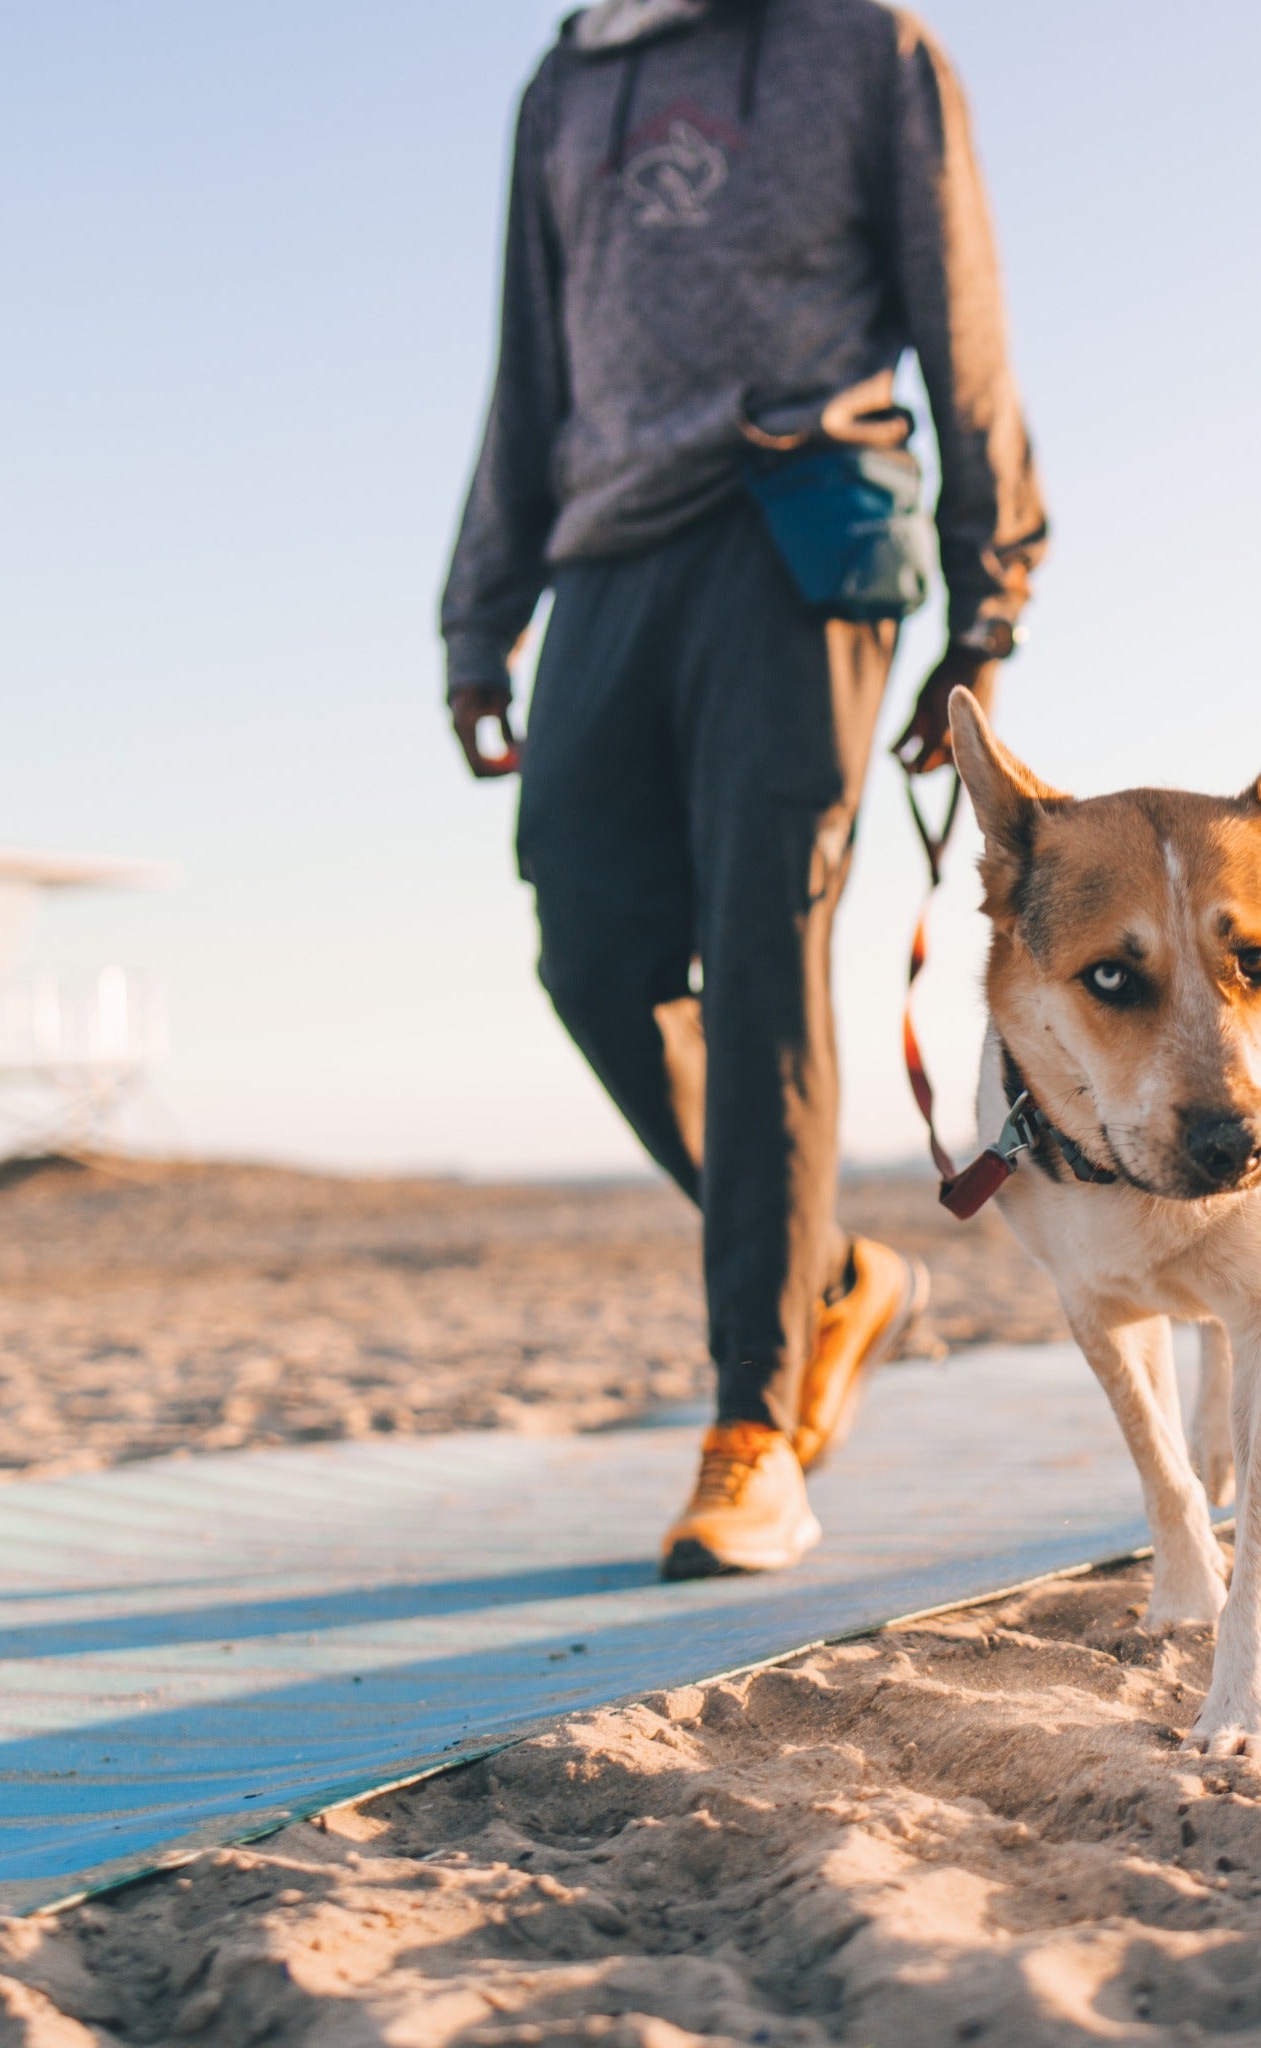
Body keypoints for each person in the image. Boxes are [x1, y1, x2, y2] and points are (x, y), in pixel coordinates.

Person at [441, 0, 1046, 1580]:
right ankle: (832, 1279)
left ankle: (755, 1432)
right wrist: (479, 610)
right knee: (590, 952)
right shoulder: (566, 81)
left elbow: (960, 317)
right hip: (607, 556)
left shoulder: (866, 47)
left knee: (764, 960)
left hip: (804, 527)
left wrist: (992, 593)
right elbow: (531, 365)